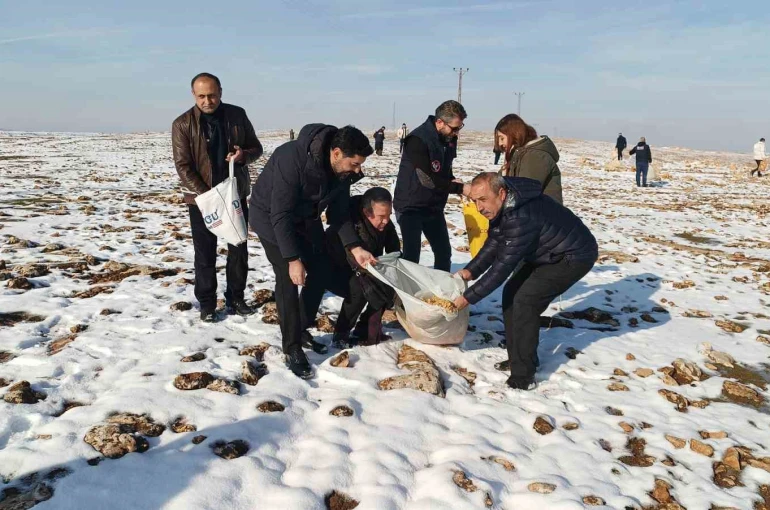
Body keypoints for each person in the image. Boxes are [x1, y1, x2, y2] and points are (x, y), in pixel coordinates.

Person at [249, 124, 375, 379]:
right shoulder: (291, 158)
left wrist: (355, 246)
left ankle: (301, 327)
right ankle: (291, 347)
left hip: (306, 219)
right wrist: (293, 258)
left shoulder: (342, 173)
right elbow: (280, 213)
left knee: (321, 269)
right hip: (271, 218)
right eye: (355, 164)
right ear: (337, 153)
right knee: (288, 277)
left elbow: (339, 214)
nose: (358, 170)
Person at [453, 173, 598, 390]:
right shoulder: (505, 207)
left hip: (572, 256)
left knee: (525, 302)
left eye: (483, 200)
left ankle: (523, 376)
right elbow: (494, 243)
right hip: (545, 252)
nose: (479, 207)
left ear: (501, 194)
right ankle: (518, 358)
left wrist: (467, 298)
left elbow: (502, 267)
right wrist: (470, 271)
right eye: (475, 201)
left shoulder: (521, 217)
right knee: (511, 293)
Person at [172, 72, 263, 322]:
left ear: (220, 92)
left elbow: (257, 148)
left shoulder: (237, 115)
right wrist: (208, 196)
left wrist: (243, 155)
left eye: (212, 95)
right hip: (202, 200)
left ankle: (236, 298)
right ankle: (207, 303)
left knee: (238, 248)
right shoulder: (182, 124)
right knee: (205, 253)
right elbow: (183, 165)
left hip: (234, 195)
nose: (207, 101)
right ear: (193, 95)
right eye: (201, 96)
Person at [393, 100, 471, 272]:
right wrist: (460, 188)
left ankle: (440, 292)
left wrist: (452, 179)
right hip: (410, 205)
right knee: (412, 256)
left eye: (460, 127)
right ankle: (406, 296)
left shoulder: (449, 138)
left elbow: (445, 168)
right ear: (440, 122)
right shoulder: (417, 140)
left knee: (443, 252)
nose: (457, 133)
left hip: (433, 205)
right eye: (454, 128)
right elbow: (427, 179)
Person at [326, 187, 400, 348]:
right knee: (359, 289)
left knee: (388, 284)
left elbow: (394, 249)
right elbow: (351, 256)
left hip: (365, 266)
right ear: (367, 213)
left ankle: (365, 329)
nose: (386, 221)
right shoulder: (350, 224)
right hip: (334, 267)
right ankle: (341, 334)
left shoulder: (384, 222)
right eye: (381, 216)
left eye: (388, 215)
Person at [495, 114, 563, 204]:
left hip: (543, 215)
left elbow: (524, 192)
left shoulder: (535, 156)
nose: (500, 143)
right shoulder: (517, 155)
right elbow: (498, 181)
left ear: (514, 133)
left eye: (502, 138)